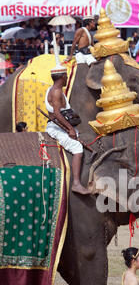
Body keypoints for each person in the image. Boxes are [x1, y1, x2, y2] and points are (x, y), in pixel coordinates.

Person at [45, 45, 90, 195]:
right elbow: (57, 114)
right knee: (77, 148)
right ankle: (76, 183)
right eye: (65, 75)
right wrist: (70, 129)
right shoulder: (56, 92)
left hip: (61, 125)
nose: (66, 78)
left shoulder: (53, 90)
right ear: (61, 77)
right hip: (57, 127)